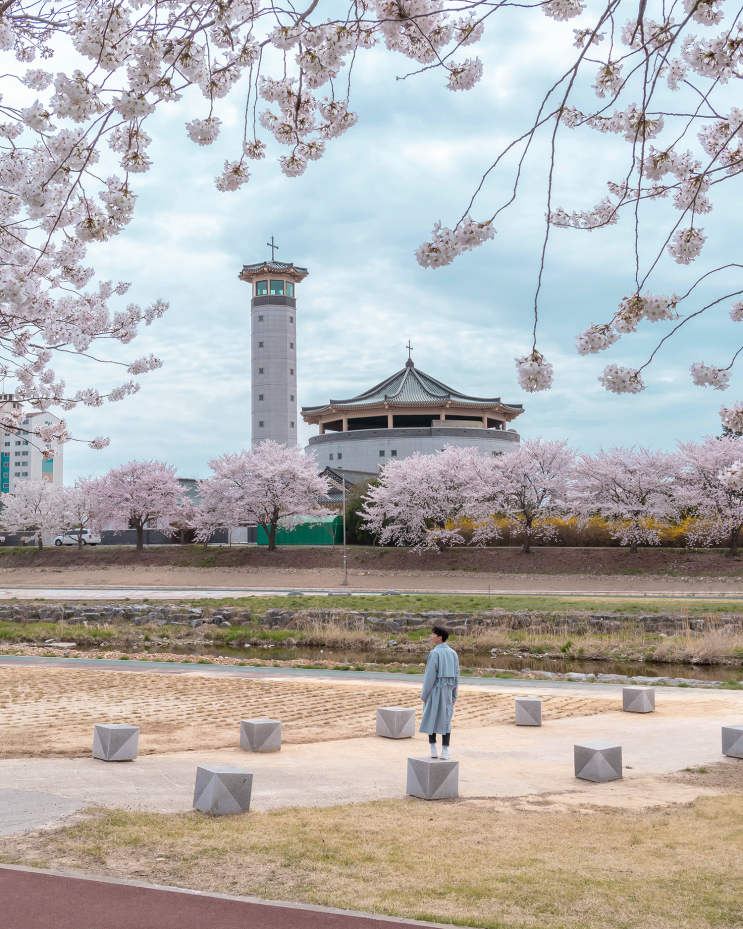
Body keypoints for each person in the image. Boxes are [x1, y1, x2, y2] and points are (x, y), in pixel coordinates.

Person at [420, 625, 460, 760]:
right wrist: (455, 694)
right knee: (446, 719)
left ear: (439, 637)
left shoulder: (435, 653)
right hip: (448, 691)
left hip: (435, 690)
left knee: (432, 717)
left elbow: (429, 677)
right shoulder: (453, 653)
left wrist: (424, 695)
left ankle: (433, 749)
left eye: (433, 634)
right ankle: (445, 750)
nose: (430, 636)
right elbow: (456, 676)